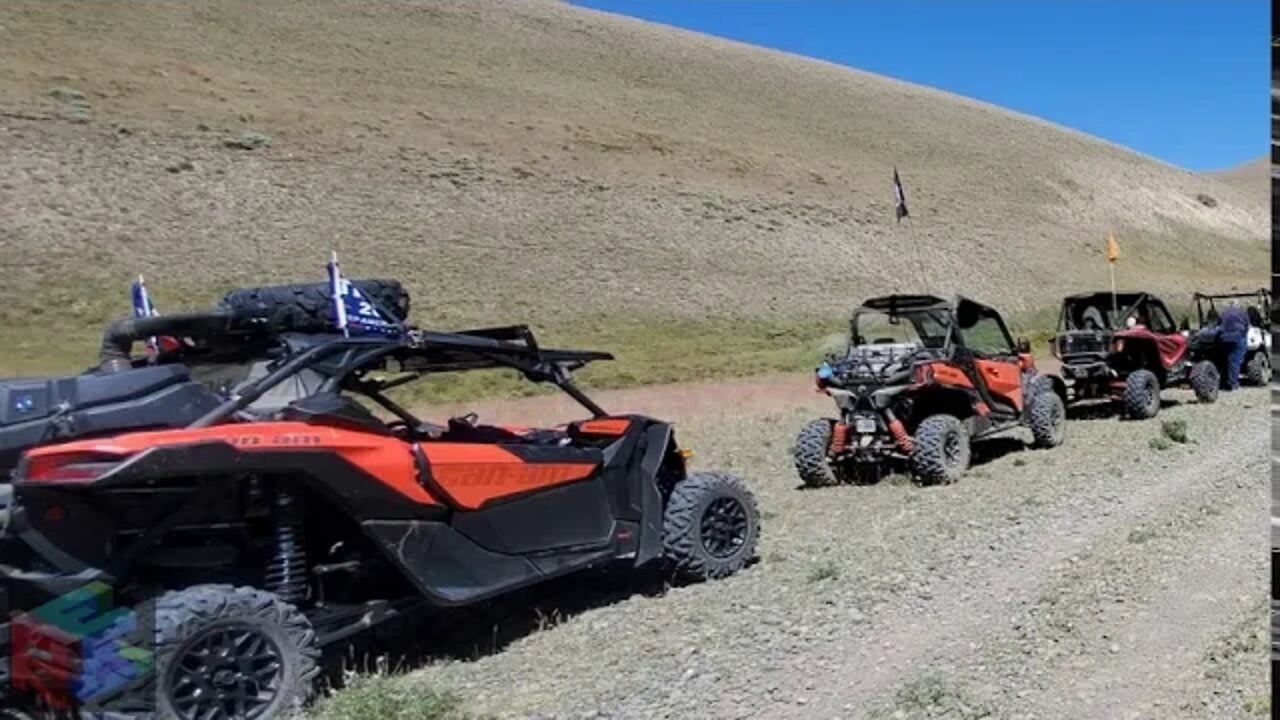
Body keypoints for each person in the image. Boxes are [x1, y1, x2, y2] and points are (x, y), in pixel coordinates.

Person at [1218, 299, 1249, 390]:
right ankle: (1233, 383)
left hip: (1224, 338)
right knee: (1235, 361)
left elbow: (1218, 326)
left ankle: (1223, 383)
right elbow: (1247, 326)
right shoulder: (1242, 313)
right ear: (1238, 305)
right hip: (1237, 337)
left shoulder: (1223, 313)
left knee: (1225, 361)